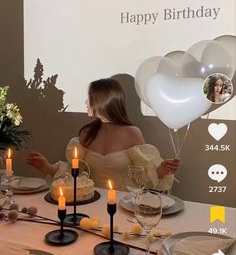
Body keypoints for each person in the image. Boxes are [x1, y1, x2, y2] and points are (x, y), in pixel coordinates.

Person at [27, 78, 180, 191]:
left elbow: (142, 180)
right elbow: (75, 175)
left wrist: (161, 169)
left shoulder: (132, 133)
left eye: (91, 98)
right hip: (92, 203)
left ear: (105, 101)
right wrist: (47, 167)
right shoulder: (86, 134)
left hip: (123, 205)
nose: (86, 102)